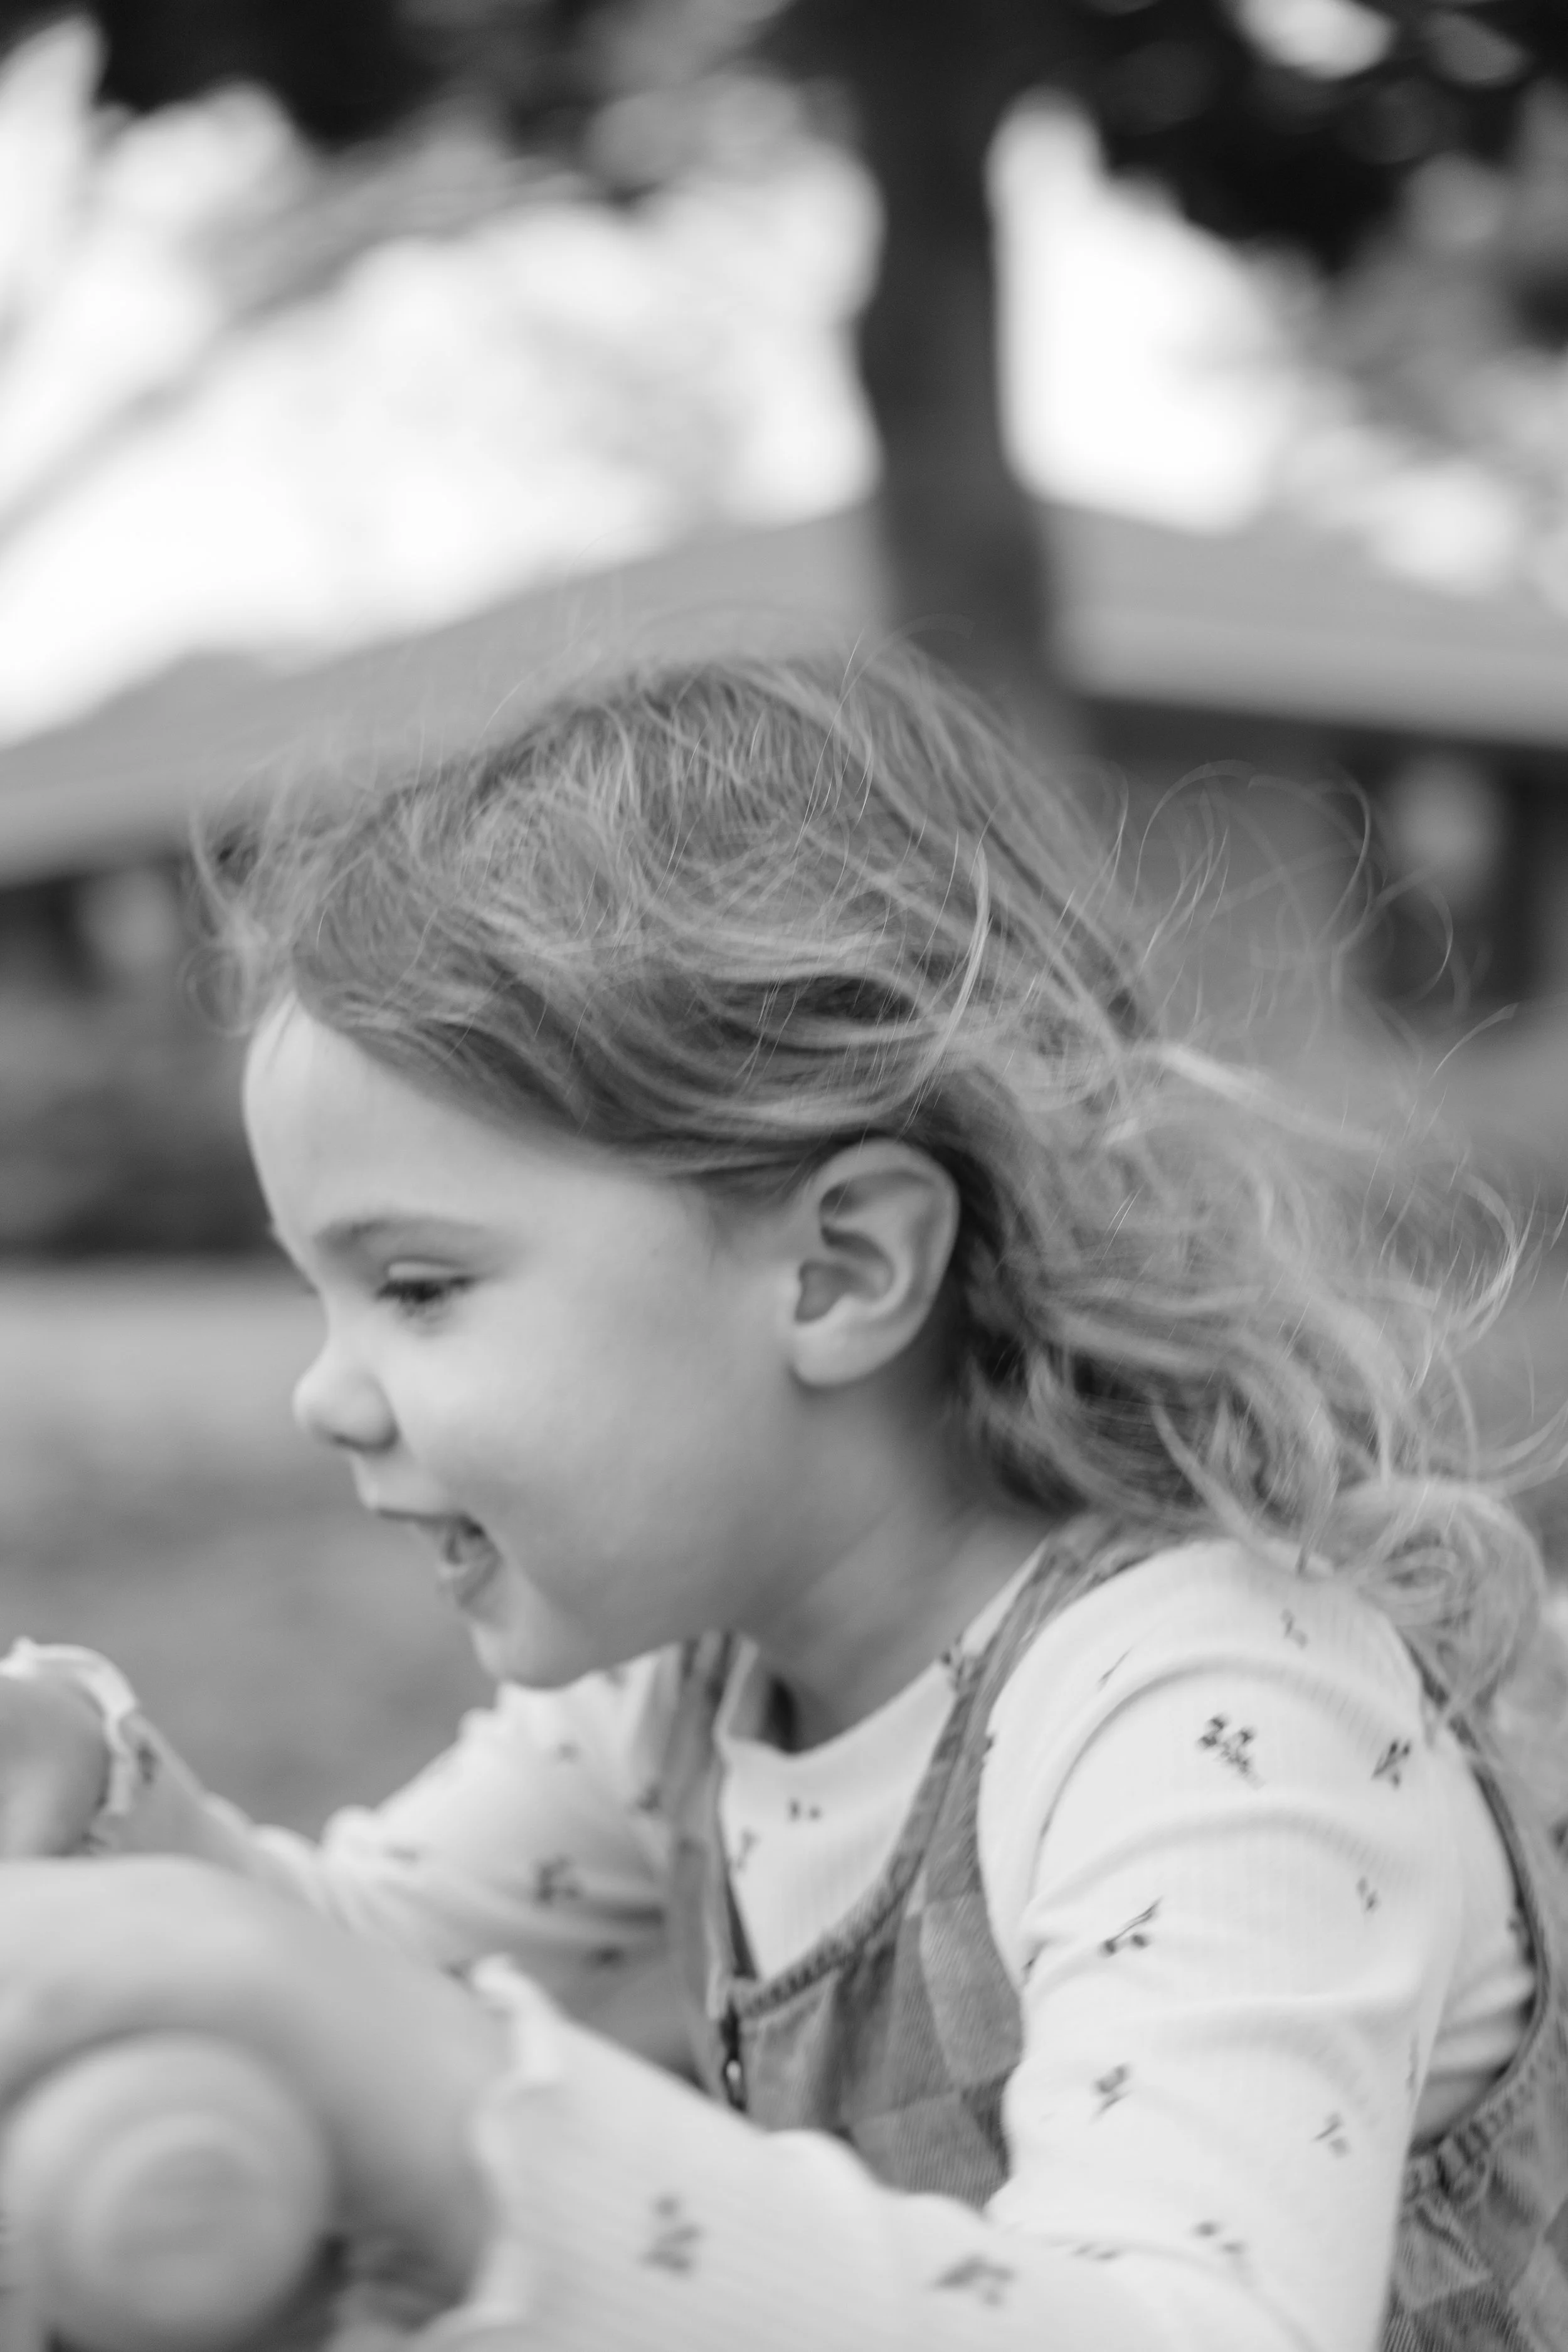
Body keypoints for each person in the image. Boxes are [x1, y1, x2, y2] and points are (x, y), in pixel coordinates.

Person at [1, 652, 1566, 2352]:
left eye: (421, 1285)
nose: (325, 1390)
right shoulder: (685, 1684)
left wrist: (459, 2114)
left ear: (840, 1268)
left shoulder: (1218, 1715)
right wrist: (93, 1800)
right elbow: (346, 1960)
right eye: (317, 1289)